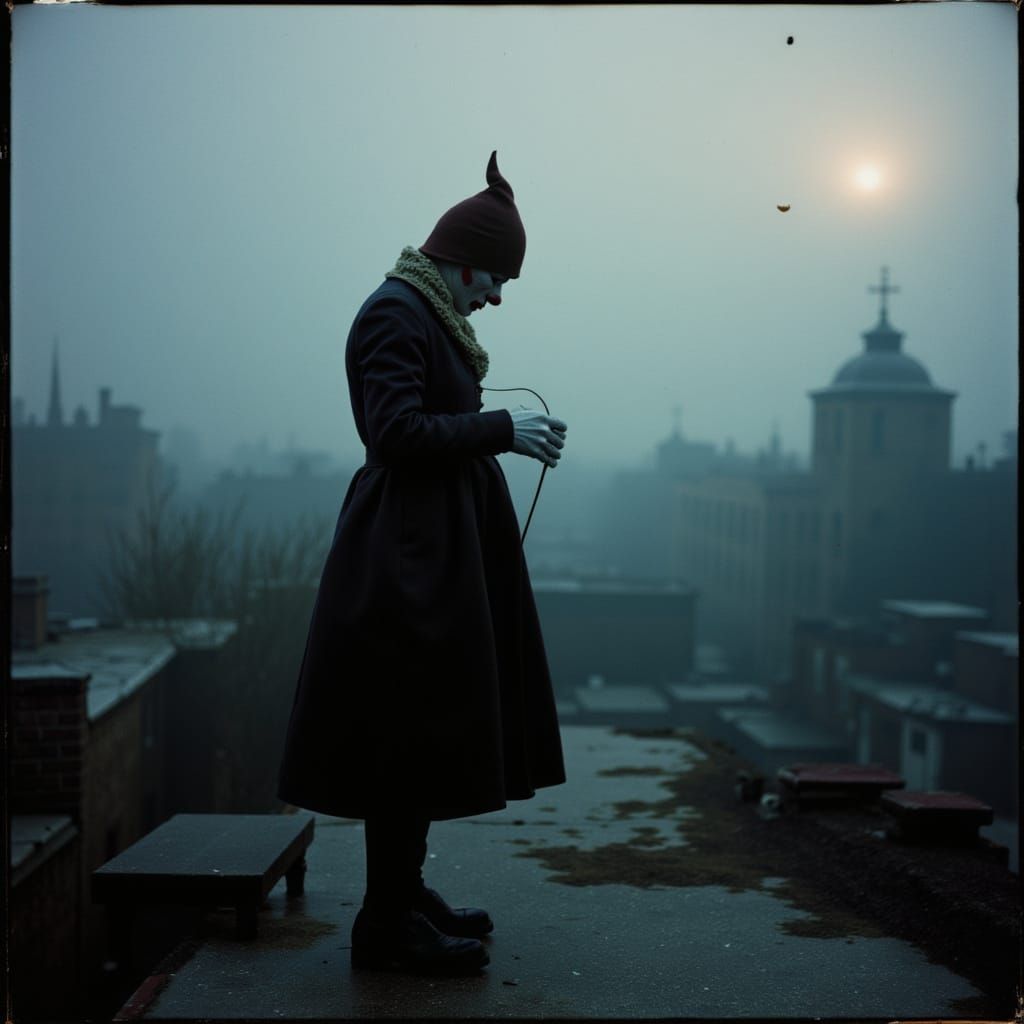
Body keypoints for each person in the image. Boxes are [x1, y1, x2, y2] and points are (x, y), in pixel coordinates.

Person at [277, 151, 568, 976]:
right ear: (464, 259)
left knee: (426, 727)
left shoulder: (428, 313)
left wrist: (497, 438)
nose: (498, 297)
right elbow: (393, 433)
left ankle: (403, 897)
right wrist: (501, 430)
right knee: (403, 733)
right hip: (401, 561)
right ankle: (385, 922)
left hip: (433, 554)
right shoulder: (395, 315)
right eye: (497, 278)